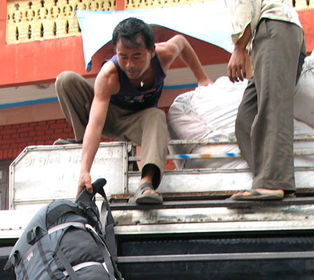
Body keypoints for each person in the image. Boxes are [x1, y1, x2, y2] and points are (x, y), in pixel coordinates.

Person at [55, 17, 212, 205]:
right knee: (66, 80)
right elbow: (96, 124)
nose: (129, 65)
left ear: (151, 51)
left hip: (139, 122)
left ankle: (146, 184)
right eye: (123, 56)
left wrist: (202, 78)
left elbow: (182, 42)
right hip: (109, 117)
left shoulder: (164, 55)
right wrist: (84, 171)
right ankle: (80, 140)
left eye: (136, 56)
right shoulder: (108, 75)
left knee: (156, 115)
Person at [225, 0, 306, 201]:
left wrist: (239, 48)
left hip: (274, 26)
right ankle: (270, 178)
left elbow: (245, 5)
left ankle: (273, 183)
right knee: (246, 117)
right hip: (270, 33)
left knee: (273, 108)